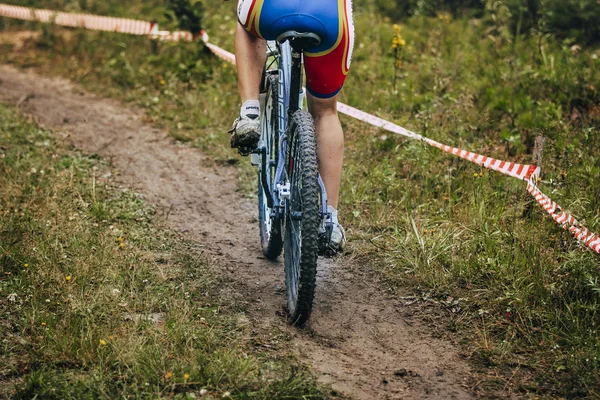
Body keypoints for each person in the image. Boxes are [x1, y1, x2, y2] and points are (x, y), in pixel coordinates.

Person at [229, 0, 354, 254]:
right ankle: (330, 220)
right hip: (329, 17)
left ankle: (250, 112)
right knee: (326, 111)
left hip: (270, 10)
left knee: (246, 26)